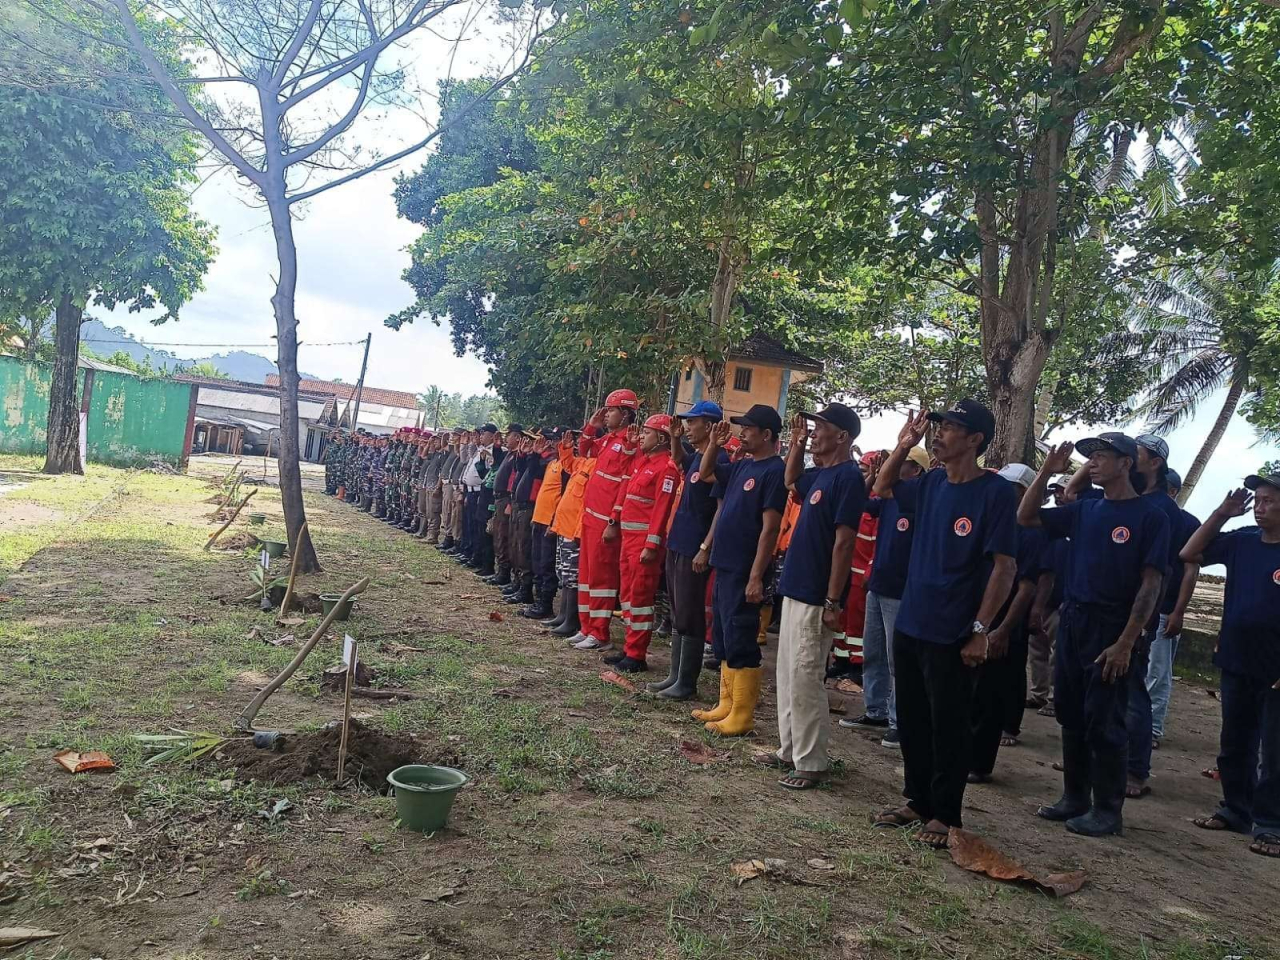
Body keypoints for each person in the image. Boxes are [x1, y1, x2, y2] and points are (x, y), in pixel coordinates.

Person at [871, 402, 1017, 849]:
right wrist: (903, 446)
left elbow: (1005, 567)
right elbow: (882, 486)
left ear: (974, 440)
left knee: (949, 723)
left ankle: (946, 813)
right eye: (941, 426)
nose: (940, 434)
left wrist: (980, 629)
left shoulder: (995, 492)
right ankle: (917, 801)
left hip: (953, 629)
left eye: (951, 428)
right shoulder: (932, 482)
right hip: (912, 621)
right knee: (913, 718)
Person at [1020, 433, 1169, 838]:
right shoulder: (1085, 509)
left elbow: (1151, 584)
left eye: (1102, 457)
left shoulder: (1151, 517)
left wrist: (1126, 641)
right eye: (1091, 458)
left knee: (1105, 720)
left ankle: (1107, 810)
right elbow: (1027, 517)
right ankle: (1074, 797)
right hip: (1074, 620)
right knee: (1070, 713)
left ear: (1126, 464)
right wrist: (1047, 472)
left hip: (1112, 627)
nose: (1093, 463)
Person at [765, 404, 866, 788]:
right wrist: (796, 442)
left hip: (816, 594)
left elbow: (844, 543)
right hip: (796, 587)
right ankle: (789, 750)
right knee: (789, 673)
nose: (815, 433)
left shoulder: (848, 478)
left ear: (842, 436)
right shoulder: (820, 474)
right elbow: (791, 480)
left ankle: (811, 761)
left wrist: (832, 600)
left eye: (821, 427)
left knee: (806, 676)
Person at [1182, 473, 1280, 858]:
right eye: (1258, 500)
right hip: (1237, 659)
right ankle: (1236, 810)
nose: (1259, 507)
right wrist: (1222, 513)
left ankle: (1271, 824)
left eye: (1269, 501)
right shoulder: (1242, 541)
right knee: (1234, 743)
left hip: (1275, 670)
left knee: (1274, 751)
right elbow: (1190, 552)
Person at [691, 404, 787, 736]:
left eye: (748, 428)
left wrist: (757, 575)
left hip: (745, 569)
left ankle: (742, 716)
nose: (742, 433)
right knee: (724, 635)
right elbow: (706, 473)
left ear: (767, 434)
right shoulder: (743, 464)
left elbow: (770, 529)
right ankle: (726, 704)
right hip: (725, 563)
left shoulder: (774, 471)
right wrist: (714, 444)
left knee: (742, 636)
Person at [840, 445, 929, 748]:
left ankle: (899, 721)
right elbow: (863, 499)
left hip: (901, 590)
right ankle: (875, 710)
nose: (894, 464)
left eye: (901, 461)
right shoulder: (888, 498)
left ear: (916, 470)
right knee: (873, 652)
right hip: (878, 585)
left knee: (897, 659)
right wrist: (874, 474)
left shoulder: (918, 498)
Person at [968, 463, 1044, 783]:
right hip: (979, 619)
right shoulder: (990, 521)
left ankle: (980, 764)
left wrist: (1002, 630)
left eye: (1012, 489)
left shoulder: (1029, 533)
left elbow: (1026, 587)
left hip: (1003, 625)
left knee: (991, 695)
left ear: (1025, 493)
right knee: (971, 692)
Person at [647, 400, 728, 700]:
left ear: (709, 425)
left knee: (690, 612)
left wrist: (706, 546)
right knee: (678, 609)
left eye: (692, 422)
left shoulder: (719, 459)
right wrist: (675, 437)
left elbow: (720, 509)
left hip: (695, 546)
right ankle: (675, 675)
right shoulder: (697, 457)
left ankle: (687, 682)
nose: (688, 426)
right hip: (678, 541)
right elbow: (680, 460)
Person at [603, 415, 682, 672]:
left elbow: (661, 510)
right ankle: (629, 647)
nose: (641, 437)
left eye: (647, 433)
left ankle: (637, 654)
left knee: (640, 596)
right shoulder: (642, 463)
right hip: (629, 540)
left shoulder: (666, 468)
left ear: (662, 439)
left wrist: (651, 544)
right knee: (627, 595)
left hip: (643, 544)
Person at [574, 390, 640, 652]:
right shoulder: (608, 439)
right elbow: (584, 450)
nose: (606, 414)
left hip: (605, 522)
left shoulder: (630, 444)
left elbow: (625, 485)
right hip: (590, 516)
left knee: (601, 578)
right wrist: (592, 426)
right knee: (586, 575)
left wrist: (614, 521)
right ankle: (586, 627)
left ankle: (600, 633)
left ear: (624, 415)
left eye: (610, 410)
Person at [1144, 468, 1201, 752]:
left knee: (1157, 670)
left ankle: (1152, 728)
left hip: (1165, 607)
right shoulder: (1145, 514)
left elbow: (1191, 569)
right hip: (1139, 607)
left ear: (1172, 491)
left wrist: (1179, 611)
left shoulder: (1187, 523)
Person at [828, 451, 881, 682]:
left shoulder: (878, 505)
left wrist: (870, 570)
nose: (861, 475)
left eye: (865, 471)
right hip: (846, 572)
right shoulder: (857, 499)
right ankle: (841, 659)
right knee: (841, 619)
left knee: (857, 624)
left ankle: (857, 665)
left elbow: (878, 544)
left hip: (862, 576)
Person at [549, 434, 594, 641]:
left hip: (574, 530)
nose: (580, 444)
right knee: (563, 573)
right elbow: (567, 464)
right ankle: (563, 615)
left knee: (573, 575)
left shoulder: (595, 465)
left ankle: (571, 620)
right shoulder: (583, 462)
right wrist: (565, 449)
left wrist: (578, 531)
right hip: (563, 527)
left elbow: (586, 503)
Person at [526, 429, 569, 621]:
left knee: (546, 564)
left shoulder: (566, 467)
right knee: (536, 561)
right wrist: (535, 454)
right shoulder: (552, 462)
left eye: (555, 440)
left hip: (550, 522)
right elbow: (533, 474)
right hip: (539, 518)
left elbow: (565, 495)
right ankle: (537, 602)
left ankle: (546, 604)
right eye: (550, 441)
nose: (551, 444)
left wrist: (554, 522)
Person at [487, 425, 524, 585]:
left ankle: (504, 573)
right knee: (497, 535)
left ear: (517, 438)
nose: (505, 438)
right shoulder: (508, 454)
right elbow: (496, 462)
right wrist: (496, 446)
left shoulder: (518, 456)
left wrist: (509, 501)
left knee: (503, 536)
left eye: (508, 435)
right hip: (499, 499)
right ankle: (501, 570)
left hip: (506, 500)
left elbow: (513, 482)